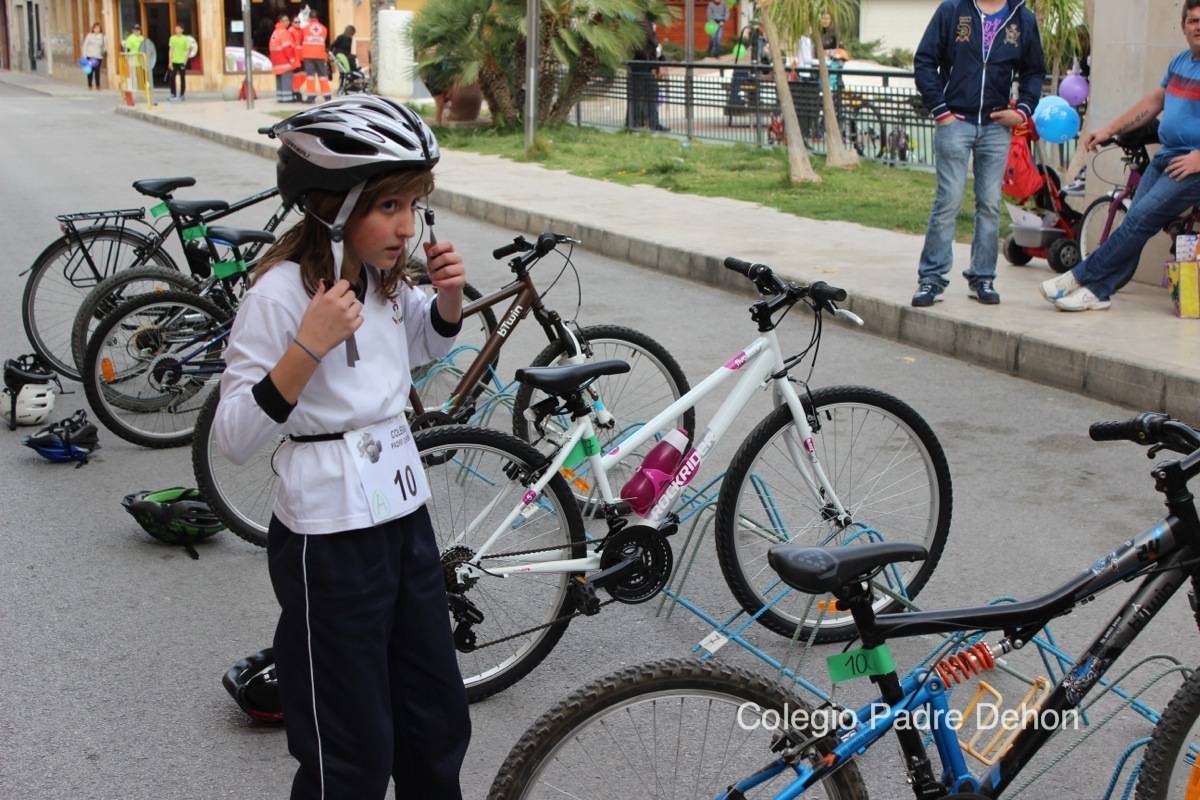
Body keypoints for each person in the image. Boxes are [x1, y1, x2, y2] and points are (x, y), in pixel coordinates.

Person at [214, 96, 471, 799]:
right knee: (349, 744)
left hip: (402, 515)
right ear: (334, 205)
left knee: (433, 718)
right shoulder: (276, 295)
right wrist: (307, 346)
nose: (405, 227)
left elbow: (416, 349)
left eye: (414, 206)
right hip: (327, 535)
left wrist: (446, 302)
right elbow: (233, 437)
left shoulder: (382, 280)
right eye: (387, 205)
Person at [1041, 0, 1200, 312]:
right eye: (1193, 20)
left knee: (1139, 219)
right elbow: (1152, 103)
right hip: (1167, 158)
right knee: (1135, 225)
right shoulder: (1180, 63)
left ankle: (1079, 278)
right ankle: (1099, 290)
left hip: (1191, 167)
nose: (1199, 27)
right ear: (1183, 26)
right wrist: (1109, 130)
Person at [911, 0, 1045, 307]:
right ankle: (931, 278)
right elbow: (925, 61)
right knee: (948, 200)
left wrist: (1022, 112)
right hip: (955, 121)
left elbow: (1034, 72)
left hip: (997, 125)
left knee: (990, 204)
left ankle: (983, 276)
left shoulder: (1021, 17)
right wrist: (940, 109)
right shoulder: (952, 10)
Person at [301, 10, 332, 103]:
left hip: (308, 56)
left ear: (309, 18)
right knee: (323, 76)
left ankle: (311, 97)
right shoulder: (324, 29)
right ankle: (327, 96)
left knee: (310, 77)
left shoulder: (305, 28)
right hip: (320, 56)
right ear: (317, 18)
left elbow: (301, 40)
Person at [269, 15, 298, 103]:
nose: (288, 22)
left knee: (279, 80)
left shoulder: (275, 32)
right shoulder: (284, 32)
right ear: (280, 22)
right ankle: (287, 98)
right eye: (285, 20)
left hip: (276, 62)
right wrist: (292, 60)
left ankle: (280, 97)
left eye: (288, 20)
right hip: (284, 61)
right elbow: (287, 48)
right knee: (286, 79)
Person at [166, 24, 191, 101]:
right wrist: (170, 61)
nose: (176, 30)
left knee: (182, 78)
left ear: (182, 30)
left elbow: (188, 50)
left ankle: (182, 94)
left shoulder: (185, 39)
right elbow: (171, 50)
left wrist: (185, 61)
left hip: (182, 62)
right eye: (175, 28)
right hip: (174, 61)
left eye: (178, 28)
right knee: (172, 77)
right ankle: (173, 94)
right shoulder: (172, 38)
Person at [81, 22, 105, 90]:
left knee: (97, 71)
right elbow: (85, 45)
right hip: (90, 55)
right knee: (90, 71)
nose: (97, 29)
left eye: (98, 28)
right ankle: (90, 85)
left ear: (100, 29)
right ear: (93, 29)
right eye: (95, 28)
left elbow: (104, 46)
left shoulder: (102, 36)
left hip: (98, 56)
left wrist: (104, 51)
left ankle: (98, 85)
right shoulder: (89, 35)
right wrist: (84, 56)